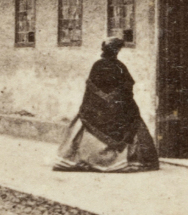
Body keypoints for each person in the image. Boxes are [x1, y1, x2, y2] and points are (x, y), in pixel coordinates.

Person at [54, 35, 159, 172]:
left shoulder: (98, 65)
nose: (117, 52)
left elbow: (90, 90)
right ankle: (124, 160)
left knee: (85, 124)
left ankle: (82, 158)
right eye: (118, 49)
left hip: (96, 109)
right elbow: (128, 87)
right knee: (132, 121)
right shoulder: (119, 66)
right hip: (118, 108)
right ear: (115, 51)